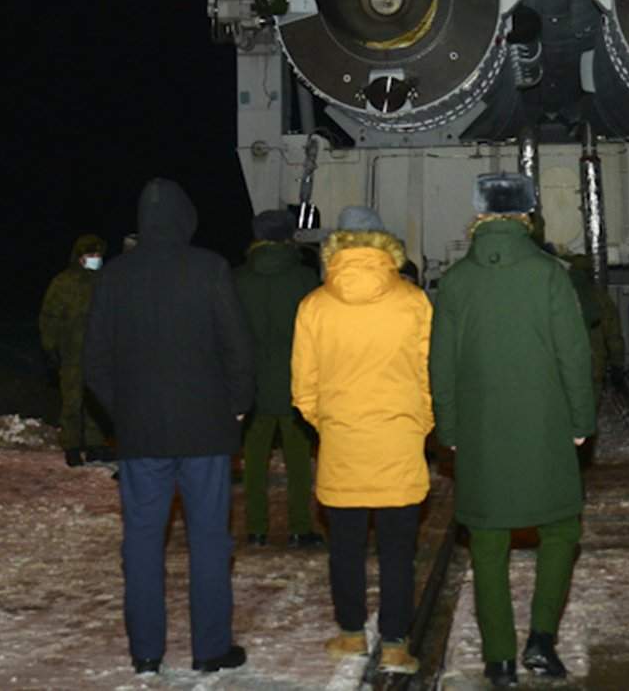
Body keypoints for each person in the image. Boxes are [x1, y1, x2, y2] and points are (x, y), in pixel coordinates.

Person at [84, 178, 252, 677]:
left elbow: (94, 362)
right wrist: (237, 407)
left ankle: (146, 653)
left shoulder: (115, 276)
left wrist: (123, 411)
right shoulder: (209, 268)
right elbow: (238, 350)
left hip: (141, 437)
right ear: (187, 219)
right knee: (208, 541)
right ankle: (210, 649)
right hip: (206, 432)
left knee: (140, 541)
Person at [431, 174, 594, 688]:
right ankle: (541, 641)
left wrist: (449, 430)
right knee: (561, 530)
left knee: (487, 539)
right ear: (527, 215)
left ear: (479, 215)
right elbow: (574, 354)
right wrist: (580, 421)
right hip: (545, 426)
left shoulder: (455, 281)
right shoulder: (550, 274)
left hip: (479, 431)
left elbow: (441, 367)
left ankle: (498, 659)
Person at [290, 205, 433, 675]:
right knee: (398, 551)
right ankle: (395, 642)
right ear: (385, 245)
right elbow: (430, 375)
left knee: (346, 548)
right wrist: (420, 422)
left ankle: (351, 633)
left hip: (342, 444)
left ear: (337, 246)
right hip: (398, 443)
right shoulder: (414, 302)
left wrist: (330, 420)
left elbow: (303, 389)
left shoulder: (313, 306)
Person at [233, 209, 321, 546]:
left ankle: (256, 529)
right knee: (299, 462)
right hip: (294, 384)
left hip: (251, 387)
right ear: (290, 237)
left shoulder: (238, 278)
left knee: (254, 462)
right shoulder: (304, 279)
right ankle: (300, 527)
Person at [38, 233, 109, 467]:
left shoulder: (105, 281)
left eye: (98, 254)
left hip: (99, 352)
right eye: (90, 255)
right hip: (71, 352)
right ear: (79, 257)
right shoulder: (63, 283)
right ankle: (72, 445)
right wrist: (50, 348)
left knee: (96, 401)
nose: (94, 259)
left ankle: (95, 444)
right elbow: (49, 317)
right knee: (72, 401)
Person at [565, 249, 624, 400]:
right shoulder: (600, 297)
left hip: (565, 364)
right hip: (594, 362)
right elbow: (613, 335)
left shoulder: (559, 293)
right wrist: (617, 364)